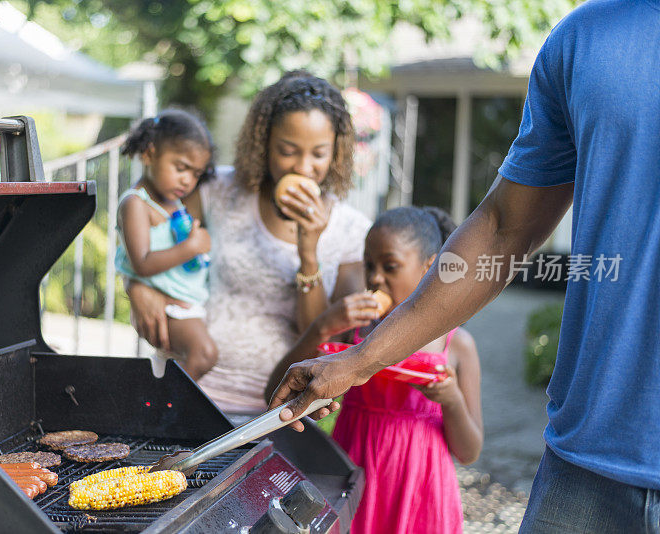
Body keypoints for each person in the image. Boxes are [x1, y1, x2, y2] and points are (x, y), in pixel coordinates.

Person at [271, 1, 660, 531]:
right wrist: (357, 361)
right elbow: (503, 228)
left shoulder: (463, 352)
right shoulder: (586, 40)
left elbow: (468, 444)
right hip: (588, 468)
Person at [127, 71, 371, 414]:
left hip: (280, 410)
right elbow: (146, 216)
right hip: (190, 391)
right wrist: (137, 284)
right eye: (288, 151)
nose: (303, 167)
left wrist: (308, 253)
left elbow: (320, 334)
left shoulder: (352, 231)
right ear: (264, 143)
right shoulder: (218, 190)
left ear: (337, 153)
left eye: (318, 154)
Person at [267, 207, 481, 533]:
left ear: (430, 267)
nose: (376, 277)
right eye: (369, 265)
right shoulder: (354, 335)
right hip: (355, 477)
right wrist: (321, 327)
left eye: (390, 266)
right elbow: (274, 391)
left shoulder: (457, 344)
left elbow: (469, 452)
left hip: (421, 490)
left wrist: (451, 401)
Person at [116, 109, 218, 380]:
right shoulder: (136, 203)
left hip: (188, 306)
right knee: (204, 354)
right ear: (149, 154)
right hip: (167, 309)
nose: (188, 180)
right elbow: (142, 262)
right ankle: (163, 409)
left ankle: (159, 404)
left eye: (196, 173)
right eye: (181, 167)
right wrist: (191, 247)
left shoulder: (175, 203)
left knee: (172, 367)